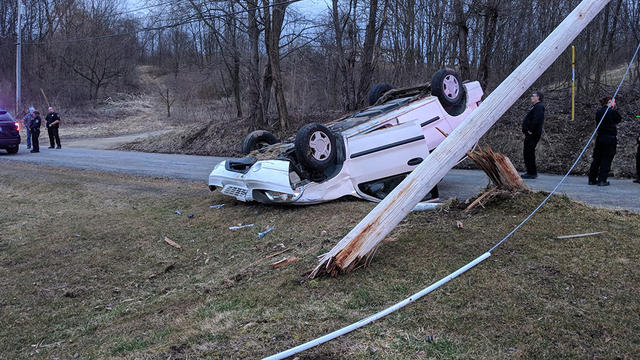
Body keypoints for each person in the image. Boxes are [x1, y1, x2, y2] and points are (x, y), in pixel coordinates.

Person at [588, 97, 621, 186]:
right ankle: (602, 180)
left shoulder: (599, 112)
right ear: (609, 102)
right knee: (606, 159)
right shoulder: (612, 112)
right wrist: (613, 109)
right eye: (613, 102)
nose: (615, 104)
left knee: (597, 159)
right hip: (609, 138)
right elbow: (619, 119)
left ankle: (592, 179)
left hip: (600, 138)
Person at [521, 90, 545, 179]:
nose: (531, 97)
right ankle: (530, 171)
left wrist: (530, 130)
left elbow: (537, 119)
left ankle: (532, 172)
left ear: (538, 97)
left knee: (529, 152)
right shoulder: (536, 107)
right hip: (531, 134)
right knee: (527, 152)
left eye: (533, 96)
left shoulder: (539, 107)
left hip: (533, 134)